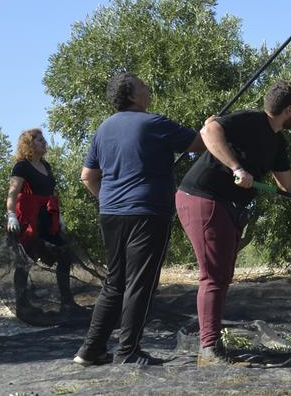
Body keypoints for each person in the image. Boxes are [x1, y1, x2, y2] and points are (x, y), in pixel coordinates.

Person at [176, 80, 291, 366]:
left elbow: (288, 183)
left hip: (226, 204)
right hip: (202, 198)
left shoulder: (277, 141)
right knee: (214, 276)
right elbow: (209, 129)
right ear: (289, 110)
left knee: (222, 274)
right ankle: (209, 350)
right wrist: (237, 168)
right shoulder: (252, 121)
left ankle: (211, 343)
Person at [74, 73, 205, 366]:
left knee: (114, 282)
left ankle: (90, 349)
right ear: (132, 95)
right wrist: (211, 127)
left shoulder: (103, 129)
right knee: (140, 283)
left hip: (111, 213)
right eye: (143, 85)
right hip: (147, 213)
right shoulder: (154, 123)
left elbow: (87, 177)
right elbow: (198, 144)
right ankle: (128, 351)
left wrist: (109, 199)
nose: (148, 89)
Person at [5, 128, 73, 315]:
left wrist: (58, 216)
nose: (44, 142)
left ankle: (67, 301)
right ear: (29, 144)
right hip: (29, 218)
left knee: (65, 253)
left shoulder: (46, 166)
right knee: (26, 258)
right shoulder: (22, 166)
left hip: (47, 217)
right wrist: (10, 214)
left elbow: (50, 193)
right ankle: (22, 304)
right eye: (39, 140)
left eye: (44, 140)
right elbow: (13, 192)